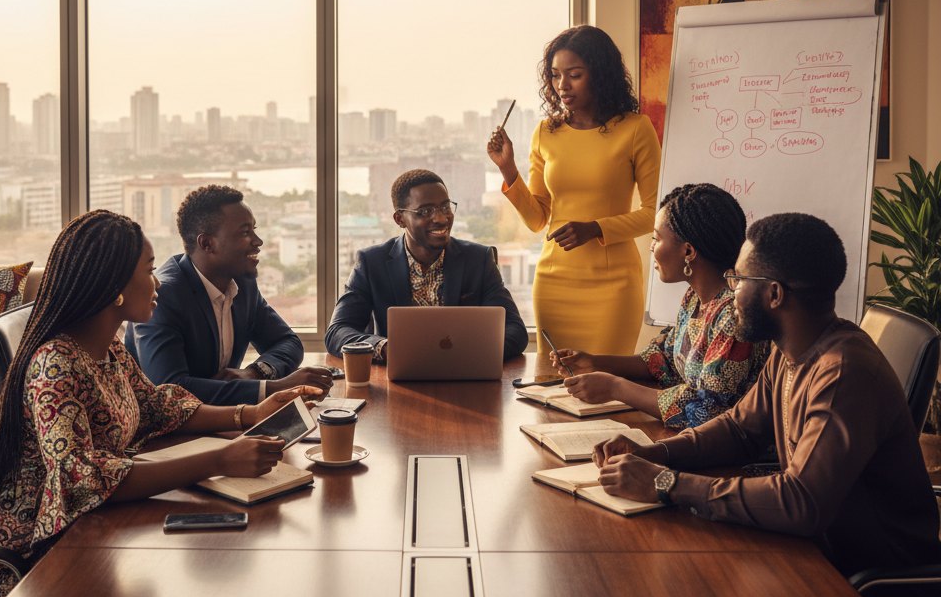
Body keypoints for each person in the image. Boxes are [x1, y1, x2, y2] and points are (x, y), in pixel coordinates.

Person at [0, 210, 321, 597]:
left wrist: (251, 412)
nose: (158, 281)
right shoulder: (55, 365)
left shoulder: (106, 349)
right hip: (16, 563)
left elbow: (157, 406)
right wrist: (219, 459)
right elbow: (82, 480)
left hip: (80, 534)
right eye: (148, 270)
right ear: (115, 288)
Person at [593, 212, 941, 577]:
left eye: (739, 279)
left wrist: (666, 484)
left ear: (774, 294)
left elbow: (800, 502)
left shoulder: (843, 374)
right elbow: (739, 430)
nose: (731, 289)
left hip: (872, 583)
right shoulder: (790, 349)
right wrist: (654, 454)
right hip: (815, 552)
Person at [487, 26, 661, 355]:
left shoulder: (636, 129)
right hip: (554, 279)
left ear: (600, 74)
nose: (562, 86)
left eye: (574, 74)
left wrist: (596, 228)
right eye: (554, 76)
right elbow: (538, 218)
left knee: (605, 392)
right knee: (551, 390)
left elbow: (655, 215)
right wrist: (508, 169)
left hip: (614, 287)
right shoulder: (546, 133)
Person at [552, 183, 769, 428]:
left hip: (738, 459)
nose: (651, 246)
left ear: (688, 251)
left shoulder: (734, 315)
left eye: (656, 238)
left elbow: (707, 412)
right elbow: (663, 358)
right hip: (697, 445)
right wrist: (594, 362)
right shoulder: (695, 298)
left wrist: (615, 387)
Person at [126, 185, 332, 404]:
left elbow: (287, 342)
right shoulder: (164, 296)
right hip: (163, 433)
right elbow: (171, 390)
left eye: (254, 229)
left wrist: (256, 373)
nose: (258, 241)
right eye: (245, 232)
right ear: (207, 244)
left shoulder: (242, 283)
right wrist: (274, 388)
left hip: (224, 423)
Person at [325, 169, 528, 362]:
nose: (441, 218)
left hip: (465, 378)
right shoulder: (371, 263)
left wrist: (471, 351)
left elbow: (515, 329)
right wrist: (386, 348)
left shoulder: (479, 259)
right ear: (400, 219)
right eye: (425, 211)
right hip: (398, 382)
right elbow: (338, 331)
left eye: (445, 207)